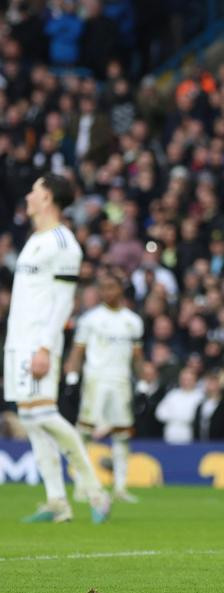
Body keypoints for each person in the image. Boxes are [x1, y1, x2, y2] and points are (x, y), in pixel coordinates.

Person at [4, 174, 111, 523]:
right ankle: (57, 502)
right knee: (32, 421)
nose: (29, 195)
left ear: (48, 197)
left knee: (42, 414)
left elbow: (64, 302)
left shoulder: (63, 243)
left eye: (34, 189)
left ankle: (94, 490)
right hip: (18, 343)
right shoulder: (36, 240)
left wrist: (45, 348)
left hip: (38, 342)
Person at [64, 269, 145, 503]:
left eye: (110, 287)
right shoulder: (90, 319)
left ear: (121, 289)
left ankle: (120, 487)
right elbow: (77, 351)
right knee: (85, 432)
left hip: (120, 382)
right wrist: (72, 378)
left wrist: (143, 384)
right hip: (95, 380)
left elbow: (137, 357)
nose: (106, 292)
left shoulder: (133, 321)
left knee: (122, 435)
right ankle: (81, 485)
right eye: (102, 287)